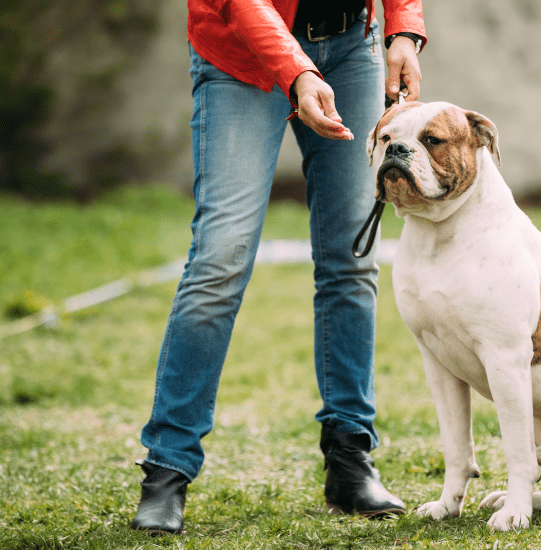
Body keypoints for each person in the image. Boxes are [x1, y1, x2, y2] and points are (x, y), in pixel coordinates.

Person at [130, 0, 426, 535]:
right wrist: (297, 72)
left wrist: (403, 31)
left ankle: (349, 456)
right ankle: (167, 468)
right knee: (220, 260)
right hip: (241, 57)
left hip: (350, 47)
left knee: (352, 260)